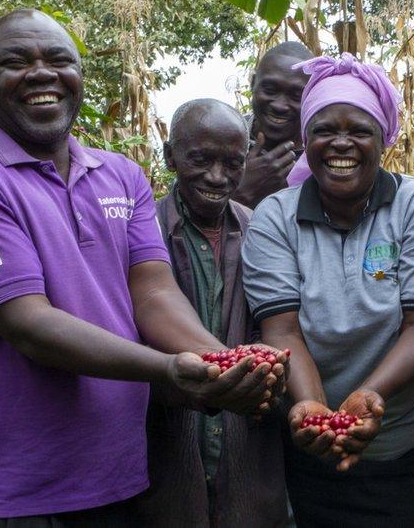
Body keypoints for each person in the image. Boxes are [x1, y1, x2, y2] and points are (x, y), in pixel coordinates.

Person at [0, 9, 286, 526]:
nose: (42, 73)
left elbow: (153, 294)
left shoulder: (121, 176)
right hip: (8, 490)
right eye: (16, 61)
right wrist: (170, 370)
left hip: (116, 481)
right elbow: (29, 324)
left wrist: (222, 364)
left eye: (59, 59)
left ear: (79, 77)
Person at [241, 53, 414, 527]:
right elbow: (281, 330)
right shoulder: (274, 218)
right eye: (324, 129)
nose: (340, 143)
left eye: (359, 130)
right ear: (306, 140)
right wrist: (314, 410)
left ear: (382, 139)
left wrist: (367, 397)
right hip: (314, 434)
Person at [130, 99, 289, 526]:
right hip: (160, 458)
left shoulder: (264, 232)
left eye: (232, 163)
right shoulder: (139, 232)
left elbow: (285, 329)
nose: (217, 177)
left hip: (250, 458)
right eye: (200, 160)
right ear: (170, 156)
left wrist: (262, 373)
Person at [233, 42, 314, 208]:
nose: (280, 105)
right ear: (253, 83)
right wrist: (240, 194)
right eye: (270, 90)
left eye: (296, 95)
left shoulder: (321, 154)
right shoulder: (222, 137)